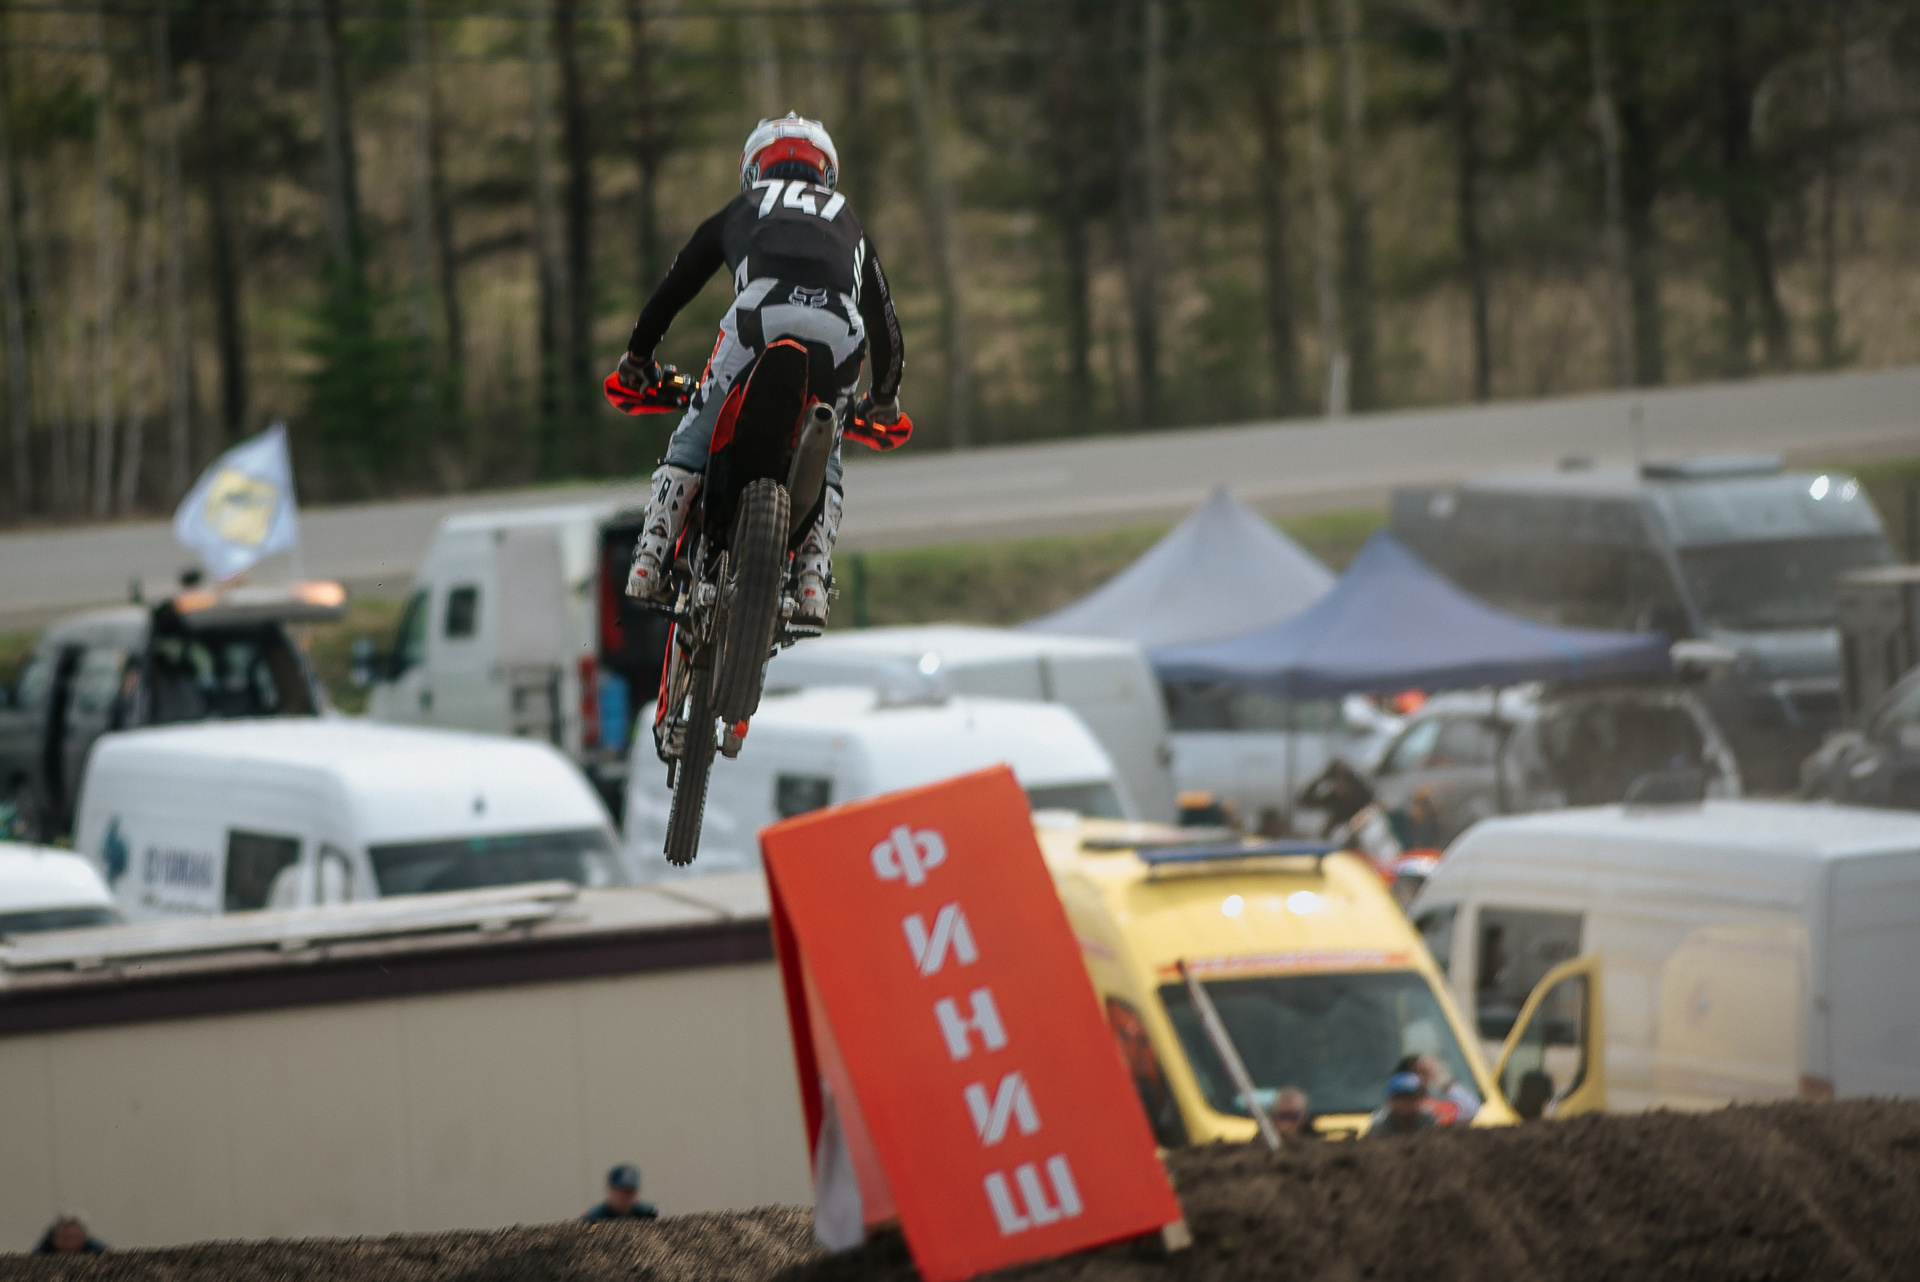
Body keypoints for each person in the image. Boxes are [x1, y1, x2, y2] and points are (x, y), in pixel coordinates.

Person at [615, 113, 907, 628]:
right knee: (829, 448)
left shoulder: (744, 206)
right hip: (841, 328)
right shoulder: (847, 219)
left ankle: (650, 557)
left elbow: (677, 284)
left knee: (697, 427)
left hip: (760, 314)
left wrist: (637, 359)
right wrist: (884, 397)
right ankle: (812, 579)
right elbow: (885, 321)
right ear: (827, 171)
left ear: (753, 167)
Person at [1365, 1071, 1437, 1138]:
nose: (1407, 1104)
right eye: (1402, 1099)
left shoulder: (1427, 1118)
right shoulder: (1380, 1122)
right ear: (1391, 1100)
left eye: (1411, 1098)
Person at [582, 1164, 659, 1222]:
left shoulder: (647, 1215)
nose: (626, 1196)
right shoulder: (594, 1217)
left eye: (630, 1191)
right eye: (621, 1191)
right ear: (609, 1190)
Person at [33, 1212, 106, 1254]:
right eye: (64, 1238)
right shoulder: (41, 1253)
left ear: (83, 1238)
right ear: (53, 1238)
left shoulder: (97, 1251)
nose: (69, 1244)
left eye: (74, 1238)